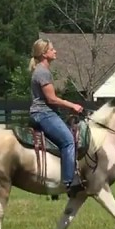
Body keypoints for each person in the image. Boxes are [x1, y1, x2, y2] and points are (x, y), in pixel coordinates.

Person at [28, 38, 85, 195]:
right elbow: (51, 99)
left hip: (43, 113)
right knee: (68, 141)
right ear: (44, 53)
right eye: (52, 49)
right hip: (43, 114)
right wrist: (72, 105)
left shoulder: (41, 70)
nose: (55, 51)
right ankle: (69, 182)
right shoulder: (43, 72)